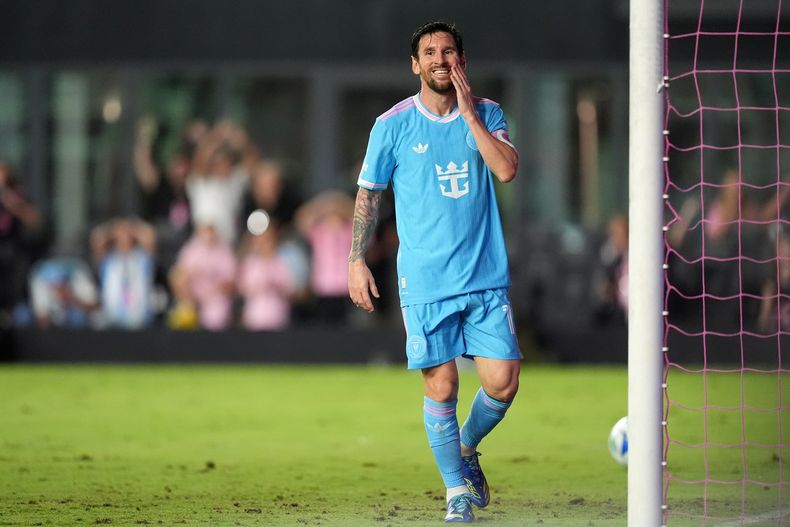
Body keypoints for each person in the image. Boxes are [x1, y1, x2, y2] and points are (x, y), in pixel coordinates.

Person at [347, 21, 521, 523]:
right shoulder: (393, 124)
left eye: (448, 51)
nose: (439, 59)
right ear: (415, 65)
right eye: (429, 52)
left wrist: (469, 116)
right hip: (425, 282)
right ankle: (455, 493)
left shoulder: (488, 113)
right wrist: (355, 258)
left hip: (485, 276)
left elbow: (506, 169)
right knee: (441, 385)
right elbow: (368, 194)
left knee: (503, 381)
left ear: (461, 60)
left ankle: (464, 448)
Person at [89, 217, 157, 329]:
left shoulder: (142, 257)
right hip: (112, 319)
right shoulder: (108, 259)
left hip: (139, 319)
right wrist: (111, 230)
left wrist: (134, 228)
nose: (124, 235)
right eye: (120, 232)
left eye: (127, 232)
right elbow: (96, 239)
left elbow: (150, 238)